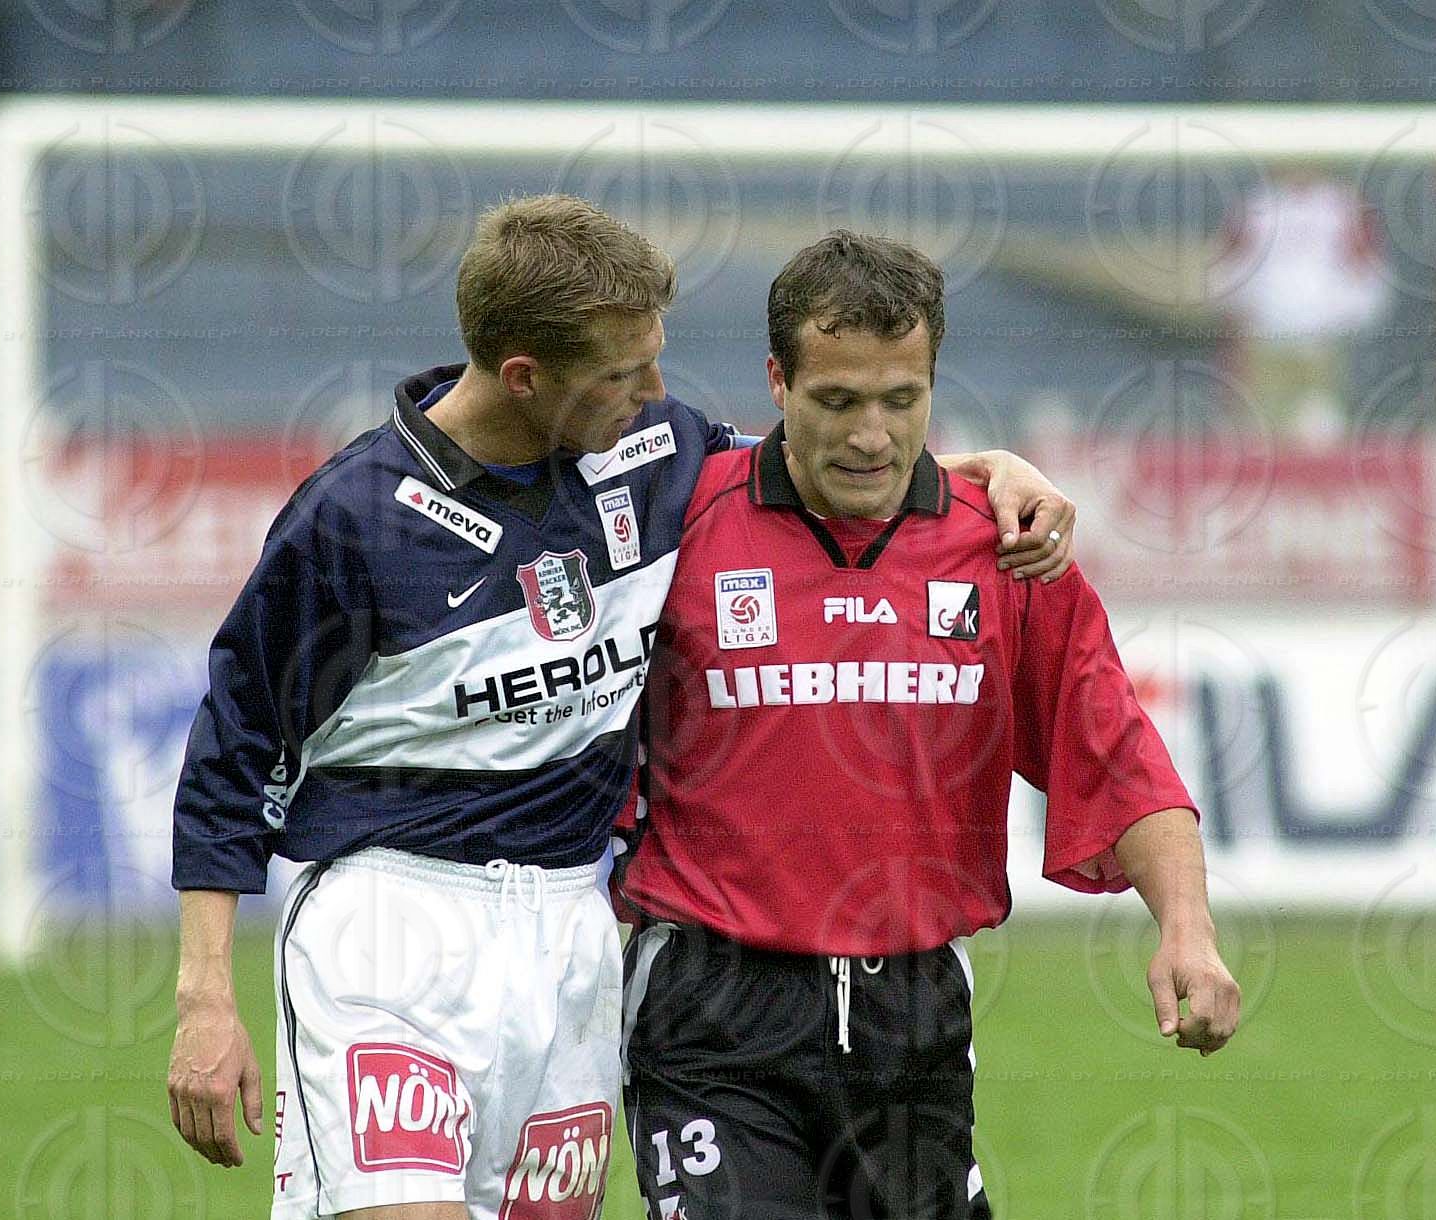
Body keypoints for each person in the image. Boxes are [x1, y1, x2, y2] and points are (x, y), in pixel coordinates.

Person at [165, 195, 1077, 1220]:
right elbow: (235, 754)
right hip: (391, 928)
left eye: (655, 359)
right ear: (526, 377)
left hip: (571, 939)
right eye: (622, 373)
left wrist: (989, 472)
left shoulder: (655, 454)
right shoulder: (354, 523)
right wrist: (205, 998)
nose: (654, 392)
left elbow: (817, 464)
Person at [617, 231, 1241, 1219]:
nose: (872, 435)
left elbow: (1116, 754)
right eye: (837, 401)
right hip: (712, 1008)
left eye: (900, 400)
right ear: (777, 382)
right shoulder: (677, 525)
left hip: (911, 1014)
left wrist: (1188, 932)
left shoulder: (1007, 551)